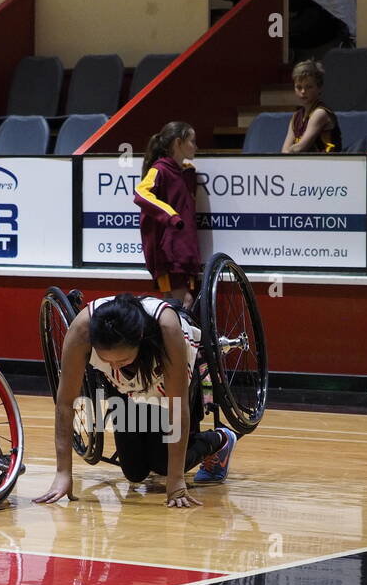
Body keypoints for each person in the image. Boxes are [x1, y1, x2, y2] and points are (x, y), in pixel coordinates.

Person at [35, 293, 236, 509]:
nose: (114, 366)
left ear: (140, 338)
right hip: (123, 386)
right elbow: (65, 404)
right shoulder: (81, 330)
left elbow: (177, 408)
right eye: (105, 359)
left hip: (162, 377)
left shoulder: (167, 329)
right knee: (135, 472)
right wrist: (63, 472)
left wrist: (176, 481)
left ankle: (220, 439)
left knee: (164, 464)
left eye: (121, 359)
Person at [134, 120, 202, 308]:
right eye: (192, 141)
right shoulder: (160, 170)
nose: (195, 146)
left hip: (183, 251)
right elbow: (140, 194)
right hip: (169, 252)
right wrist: (170, 216)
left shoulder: (186, 173)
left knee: (176, 304)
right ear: (178, 143)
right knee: (181, 303)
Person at [281, 58, 341, 153]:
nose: (303, 91)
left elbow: (300, 148)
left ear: (319, 88)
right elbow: (284, 151)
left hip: (328, 164)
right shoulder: (296, 117)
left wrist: (289, 151)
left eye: (309, 87)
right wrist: (288, 152)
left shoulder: (320, 113)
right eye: (299, 87)